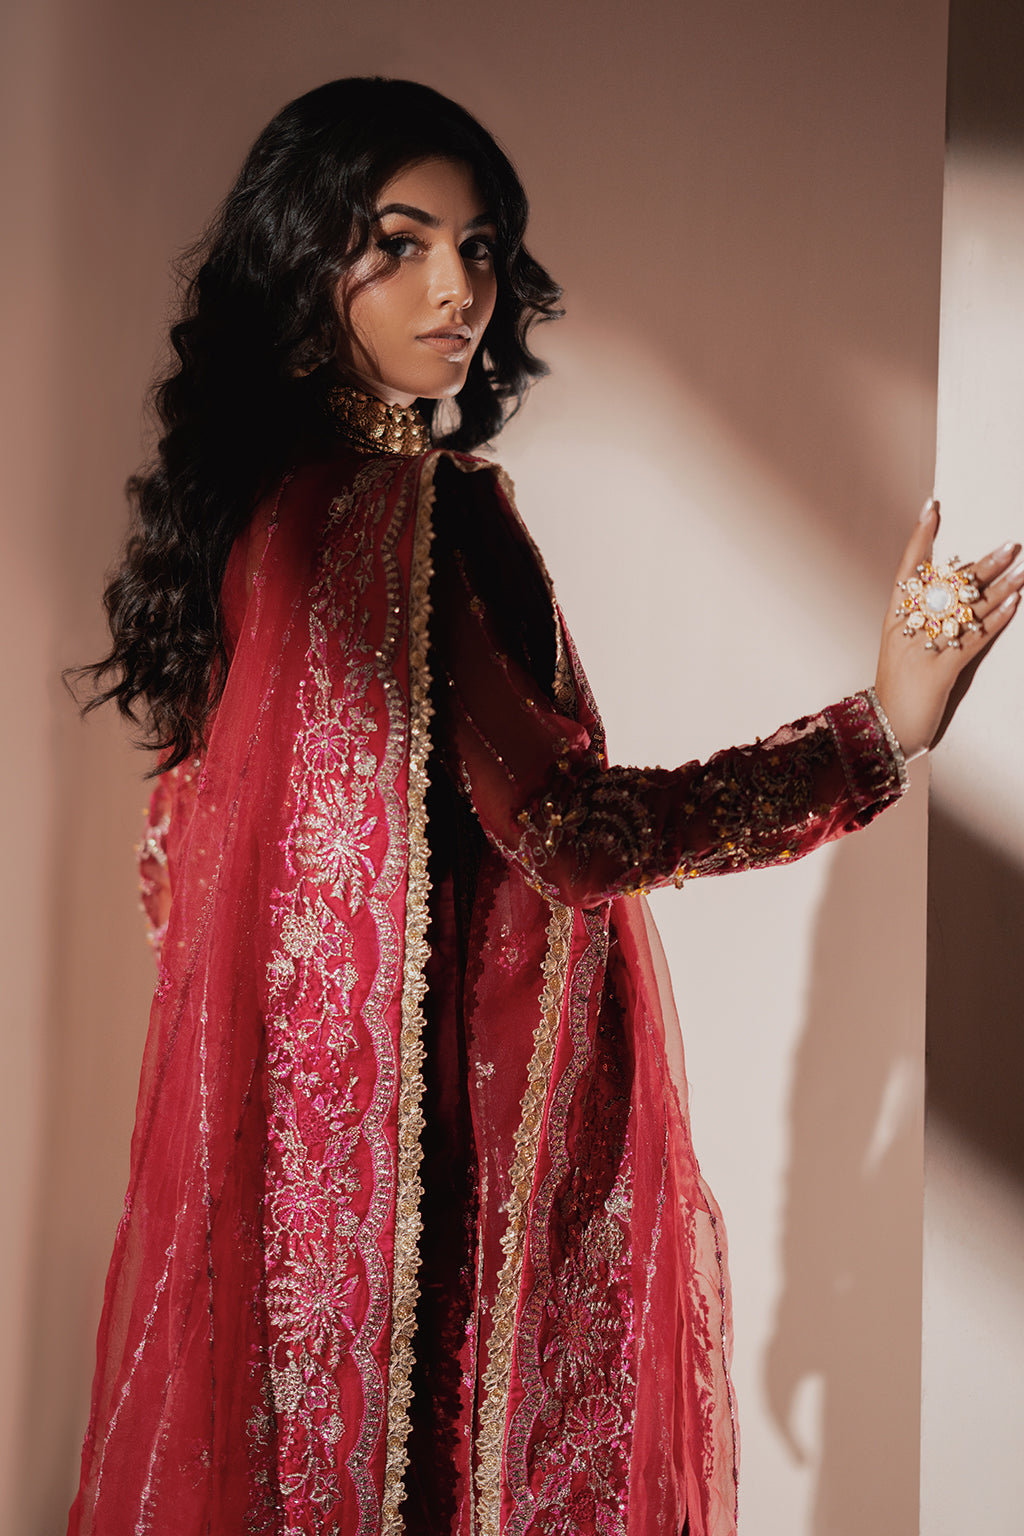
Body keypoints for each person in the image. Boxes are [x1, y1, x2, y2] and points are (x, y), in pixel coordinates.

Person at [67, 78, 1022, 1536]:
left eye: (479, 247)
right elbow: (573, 835)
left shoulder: (250, 524)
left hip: (297, 1184)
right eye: (399, 244)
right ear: (304, 262)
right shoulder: (417, 518)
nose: (456, 289)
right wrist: (876, 734)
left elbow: (172, 878)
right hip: (457, 1165)